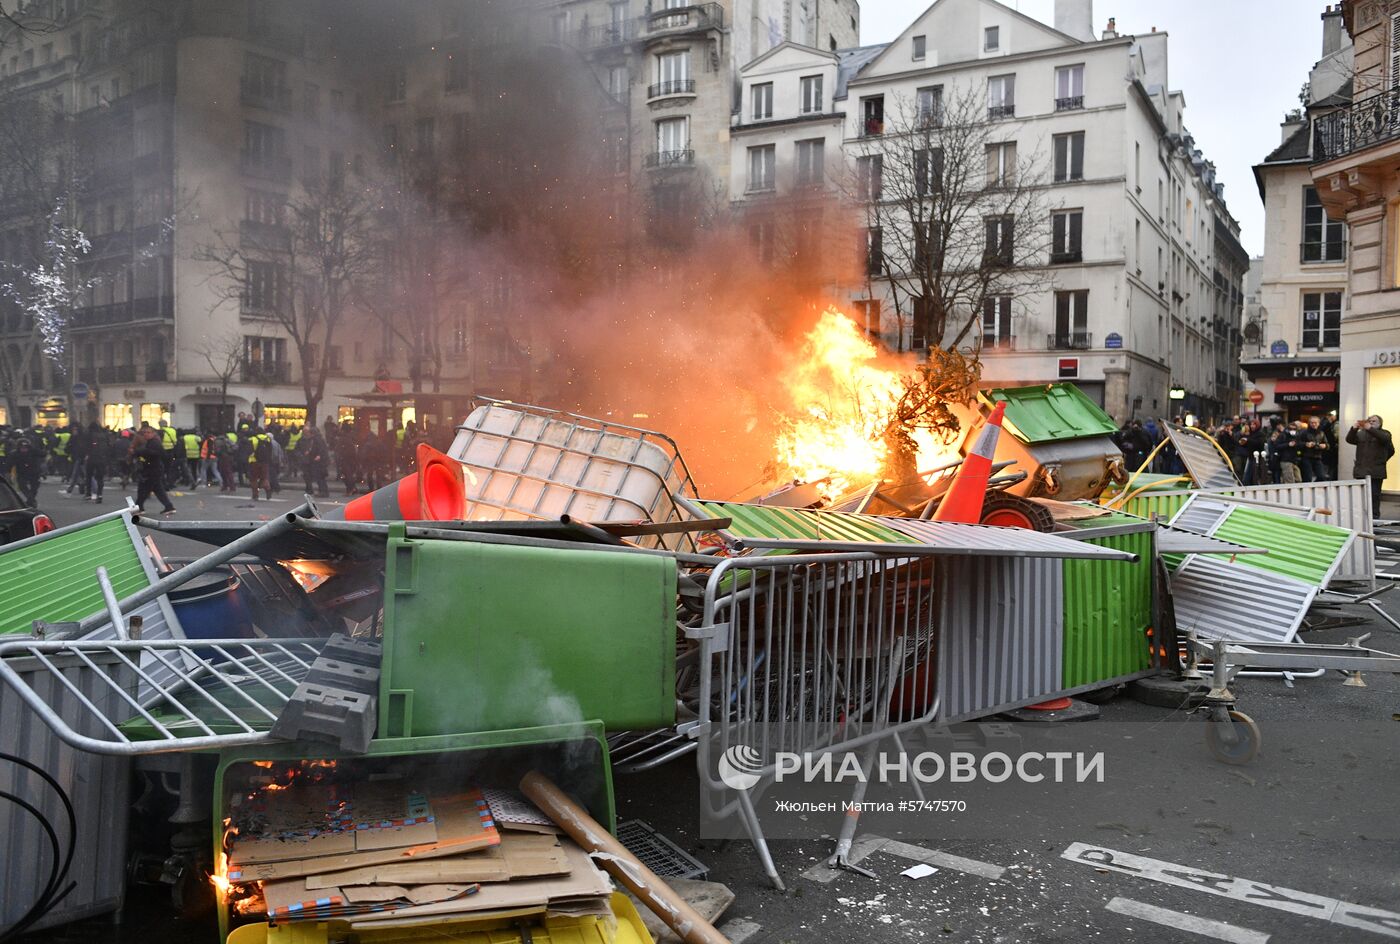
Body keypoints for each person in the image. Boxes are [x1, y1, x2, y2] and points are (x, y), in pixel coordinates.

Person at [1346, 415, 1394, 520]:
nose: (1371, 422)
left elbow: (1390, 449)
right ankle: (1362, 519)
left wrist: (1381, 460)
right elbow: (1349, 439)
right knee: (1360, 497)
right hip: (1361, 471)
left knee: (1374, 497)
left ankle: (1374, 519)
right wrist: (1354, 429)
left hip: (1376, 472)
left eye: (1374, 421)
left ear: (1380, 423)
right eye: (1369, 421)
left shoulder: (1385, 433)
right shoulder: (1362, 434)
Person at [133, 427, 176, 515]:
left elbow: (156, 454)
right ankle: (169, 507)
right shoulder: (150, 443)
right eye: (144, 432)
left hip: (153, 470)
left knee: (143, 489)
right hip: (153, 469)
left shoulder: (154, 443)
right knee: (158, 490)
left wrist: (141, 452)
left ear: (153, 434)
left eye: (148, 432)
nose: (146, 434)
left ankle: (139, 507)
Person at [299, 425, 331, 498]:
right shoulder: (318, 439)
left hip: (319, 462)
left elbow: (319, 449)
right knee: (320, 477)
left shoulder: (317, 439)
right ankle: (322, 491)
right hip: (320, 461)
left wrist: (317, 455)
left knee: (320, 477)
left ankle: (323, 491)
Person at [11, 437, 42, 507]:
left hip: (34, 472)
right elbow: (9, 464)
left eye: (25, 447)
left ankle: (30, 500)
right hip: (22, 473)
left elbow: (43, 454)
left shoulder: (33, 451)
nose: (24, 449)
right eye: (22, 447)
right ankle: (31, 499)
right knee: (22, 486)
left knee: (34, 487)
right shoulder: (15, 454)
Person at [83, 421, 109, 503]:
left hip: (92, 458)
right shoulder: (104, 435)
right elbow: (108, 447)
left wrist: (86, 455)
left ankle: (88, 494)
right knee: (100, 478)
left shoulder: (89, 435)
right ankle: (100, 494)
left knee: (89, 476)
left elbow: (87, 446)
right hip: (102, 458)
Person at [247, 427, 272, 501]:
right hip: (265, 462)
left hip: (254, 461)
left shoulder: (253, 439)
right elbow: (270, 451)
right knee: (264, 478)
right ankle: (268, 490)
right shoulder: (267, 439)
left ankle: (255, 495)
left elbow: (249, 451)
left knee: (254, 479)